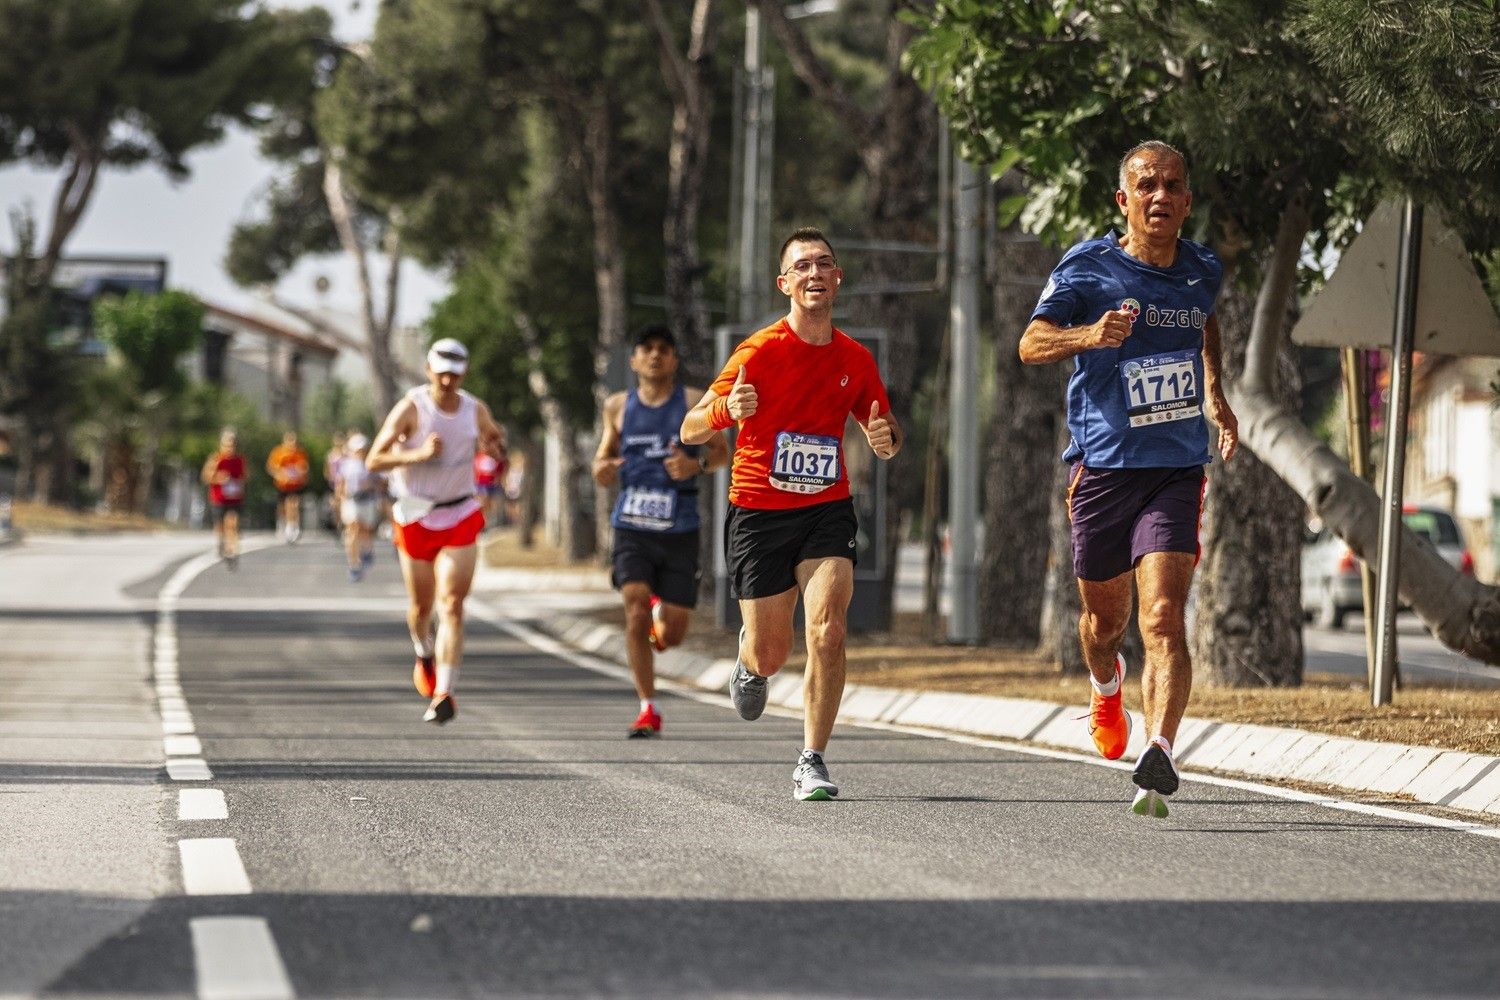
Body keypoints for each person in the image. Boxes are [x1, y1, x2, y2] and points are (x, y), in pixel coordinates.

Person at [1019, 140, 1238, 818]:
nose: (1160, 196)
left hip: (1174, 468)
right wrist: (1089, 337)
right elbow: (1030, 344)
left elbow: (1208, 325)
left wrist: (1216, 393)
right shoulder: (1090, 265)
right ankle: (1105, 684)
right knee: (1102, 623)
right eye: (1146, 185)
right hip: (1103, 468)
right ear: (1124, 199)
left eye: (1173, 185)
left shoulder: (1203, 268)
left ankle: (1161, 751)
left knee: (1165, 617)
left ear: (1188, 200)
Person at [681, 227, 902, 800]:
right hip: (758, 512)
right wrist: (729, 408)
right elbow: (691, 427)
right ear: (785, 284)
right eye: (801, 266)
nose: (814, 273)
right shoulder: (759, 350)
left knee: (828, 629)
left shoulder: (855, 357)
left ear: (837, 279)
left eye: (823, 264)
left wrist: (885, 439)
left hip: (827, 508)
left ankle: (812, 759)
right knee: (772, 652)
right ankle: (750, 665)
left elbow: (885, 426)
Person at [593, 325, 729, 738]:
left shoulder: (691, 401)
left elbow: (722, 452)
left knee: (671, 635)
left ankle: (660, 617)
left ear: (673, 360)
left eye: (664, 350)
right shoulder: (617, 406)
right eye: (646, 349)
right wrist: (604, 470)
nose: (655, 356)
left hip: (680, 527)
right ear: (634, 360)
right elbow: (602, 462)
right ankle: (647, 707)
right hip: (631, 525)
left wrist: (695, 466)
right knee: (633, 608)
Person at [366, 338, 505, 725]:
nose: (446, 380)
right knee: (421, 608)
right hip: (415, 514)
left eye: (454, 373)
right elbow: (375, 459)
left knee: (454, 603)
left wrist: (495, 449)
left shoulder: (474, 409)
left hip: (460, 511)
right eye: (441, 372)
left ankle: (445, 691)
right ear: (428, 370)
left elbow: (495, 442)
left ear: (463, 374)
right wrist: (417, 454)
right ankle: (423, 650)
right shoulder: (412, 407)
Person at [336, 434, 382, 581]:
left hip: (368, 500)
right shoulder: (347, 465)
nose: (360, 452)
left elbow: (381, 483)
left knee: (366, 530)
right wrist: (339, 500)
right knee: (353, 529)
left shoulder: (371, 463)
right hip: (352, 500)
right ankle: (353, 564)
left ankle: (367, 551)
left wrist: (372, 485)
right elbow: (341, 484)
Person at [201, 428, 247, 570]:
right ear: (221, 445)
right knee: (220, 525)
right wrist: (218, 478)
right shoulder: (216, 459)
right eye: (227, 445)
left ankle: (232, 550)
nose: (230, 448)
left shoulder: (239, 460)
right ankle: (221, 542)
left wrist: (239, 483)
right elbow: (205, 477)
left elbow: (245, 476)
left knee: (233, 521)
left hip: (235, 498)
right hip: (219, 498)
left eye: (232, 445)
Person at [266, 430, 310, 543]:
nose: (292, 444)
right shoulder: (278, 452)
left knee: (294, 504)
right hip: (282, 485)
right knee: (283, 507)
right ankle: (282, 523)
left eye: (294, 441)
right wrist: (280, 473)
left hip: (295, 484)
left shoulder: (300, 453)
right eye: (290, 441)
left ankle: (293, 526)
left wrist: (301, 471)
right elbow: (271, 467)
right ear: (285, 441)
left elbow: (305, 468)